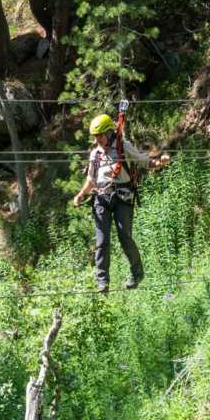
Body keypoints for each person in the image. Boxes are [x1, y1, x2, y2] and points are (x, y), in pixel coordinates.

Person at [72, 114, 171, 293]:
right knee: (102, 241)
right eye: (95, 137)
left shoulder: (123, 147)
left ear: (110, 133)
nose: (98, 140)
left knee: (124, 237)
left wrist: (160, 163)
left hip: (122, 198)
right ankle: (102, 281)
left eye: (100, 135)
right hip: (101, 199)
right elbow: (91, 179)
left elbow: (144, 161)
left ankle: (137, 272)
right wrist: (80, 194)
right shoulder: (95, 154)